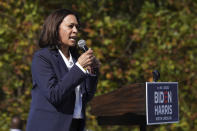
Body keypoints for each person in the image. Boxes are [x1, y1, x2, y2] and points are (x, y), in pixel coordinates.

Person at [26, 9, 100, 131]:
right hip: (50, 126)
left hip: (76, 125)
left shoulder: (76, 59)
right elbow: (54, 95)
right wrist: (80, 68)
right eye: (70, 26)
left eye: (77, 27)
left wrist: (92, 72)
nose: (75, 31)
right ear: (55, 28)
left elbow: (85, 97)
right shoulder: (42, 58)